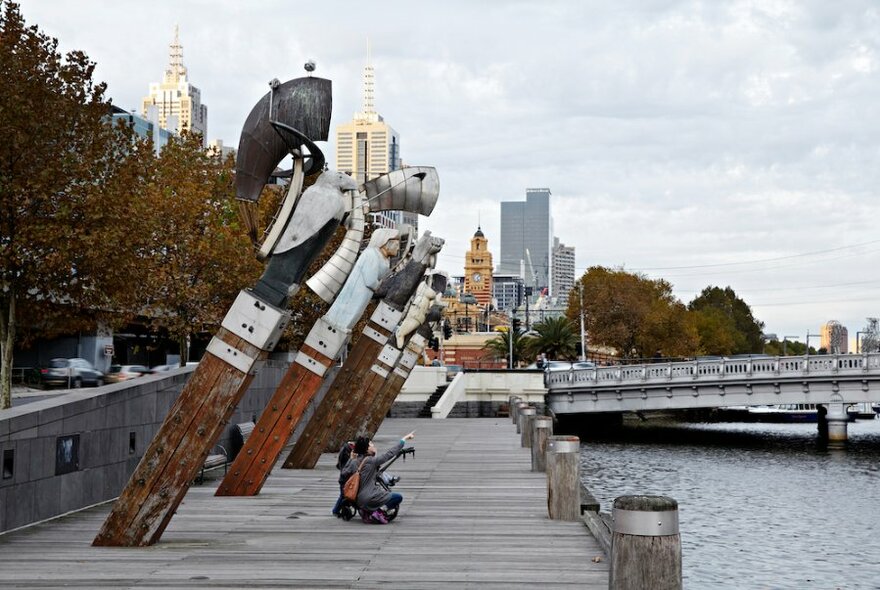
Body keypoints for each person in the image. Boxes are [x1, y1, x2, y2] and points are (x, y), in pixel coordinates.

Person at [341, 430, 415, 524]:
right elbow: (389, 454)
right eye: (371, 444)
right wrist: (403, 440)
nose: (374, 446)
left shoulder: (354, 461)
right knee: (398, 497)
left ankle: (367, 512)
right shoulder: (370, 461)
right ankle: (379, 512)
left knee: (379, 494)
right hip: (369, 497)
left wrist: (351, 459)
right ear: (367, 449)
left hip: (357, 500)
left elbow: (344, 473)